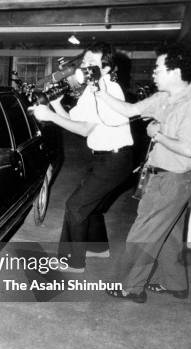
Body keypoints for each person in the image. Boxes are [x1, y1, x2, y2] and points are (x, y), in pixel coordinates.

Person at [94, 43, 191, 302]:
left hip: (174, 179)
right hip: (163, 177)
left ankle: (131, 287)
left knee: (143, 234)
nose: (153, 73)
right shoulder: (164, 97)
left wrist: (157, 135)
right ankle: (176, 284)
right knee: (169, 233)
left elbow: (187, 149)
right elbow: (129, 110)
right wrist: (98, 90)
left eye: (158, 68)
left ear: (175, 72)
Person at [31, 42, 134, 273]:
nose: (84, 67)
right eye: (84, 62)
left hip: (115, 159)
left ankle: (72, 262)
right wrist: (56, 105)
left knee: (76, 206)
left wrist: (49, 115)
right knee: (91, 205)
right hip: (105, 159)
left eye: (91, 63)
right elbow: (74, 121)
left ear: (106, 69)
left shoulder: (108, 89)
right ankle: (97, 248)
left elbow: (84, 130)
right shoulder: (92, 90)